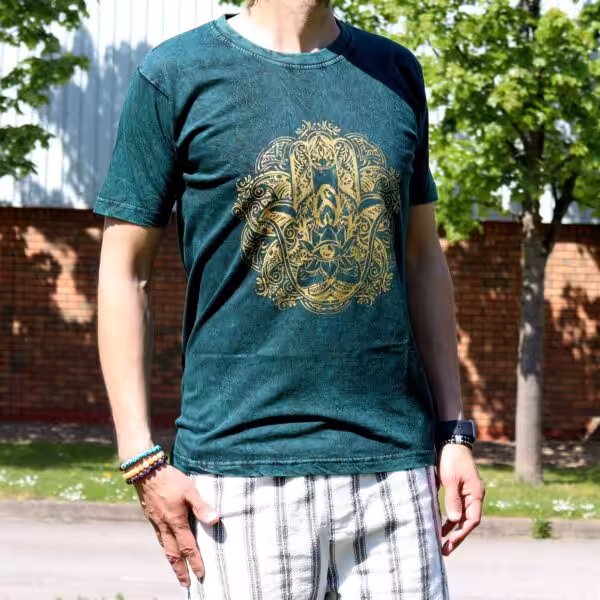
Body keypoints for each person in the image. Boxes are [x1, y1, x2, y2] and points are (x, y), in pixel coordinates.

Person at [95, 0, 485, 598]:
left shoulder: (395, 71)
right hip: (236, 478)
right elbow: (124, 272)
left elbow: (422, 257)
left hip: (394, 471)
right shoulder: (175, 73)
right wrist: (140, 459)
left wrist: (454, 432)